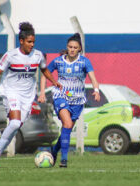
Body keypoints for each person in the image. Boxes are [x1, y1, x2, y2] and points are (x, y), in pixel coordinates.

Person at [0, 22, 61, 168]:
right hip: (11, 92)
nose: (32, 45)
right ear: (21, 41)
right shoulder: (10, 56)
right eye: (29, 42)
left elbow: (44, 70)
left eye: (33, 42)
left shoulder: (38, 56)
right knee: (15, 123)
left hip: (28, 96)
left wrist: (54, 81)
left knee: (15, 126)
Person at [38, 33, 100, 168]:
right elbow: (45, 75)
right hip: (61, 96)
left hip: (77, 100)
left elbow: (93, 78)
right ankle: (64, 160)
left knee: (67, 129)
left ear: (79, 49)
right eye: (70, 47)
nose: (72, 49)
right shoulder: (58, 61)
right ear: (67, 47)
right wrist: (42, 93)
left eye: (75, 47)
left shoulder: (84, 62)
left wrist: (96, 91)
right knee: (66, 123)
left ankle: (54, 151)